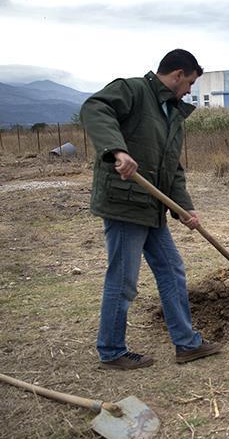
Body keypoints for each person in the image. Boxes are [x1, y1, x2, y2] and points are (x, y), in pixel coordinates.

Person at [81, 49, 221, 370]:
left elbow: (173, 169)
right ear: (176, 75)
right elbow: (95, 108)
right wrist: (116, 149)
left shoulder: (172, 115)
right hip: (125, 204)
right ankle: (112, 350)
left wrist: (184, 209)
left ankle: (186, 344)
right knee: (124, 279)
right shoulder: (133, 91)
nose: (189, 91)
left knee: (172, 270)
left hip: (152, 209)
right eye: (189, 84)